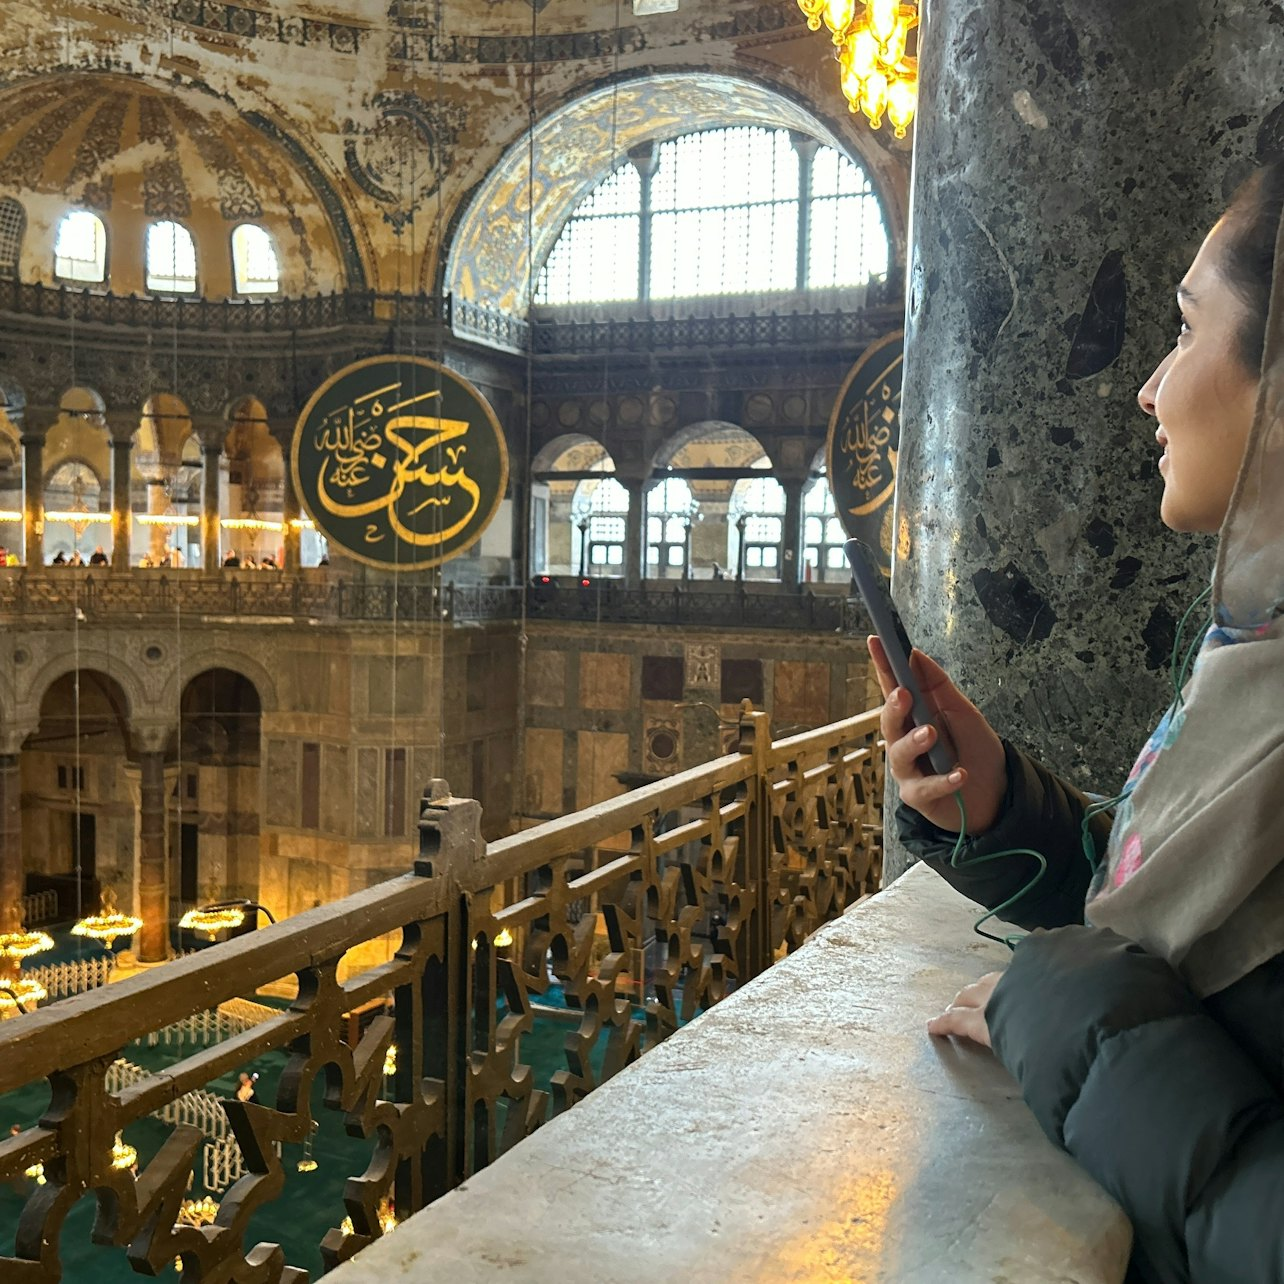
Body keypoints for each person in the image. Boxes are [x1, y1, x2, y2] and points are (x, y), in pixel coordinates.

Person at [872, 162, 1284, 1283]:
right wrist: (1003, 808)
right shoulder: (1258, 665)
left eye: (1189, 328)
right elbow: (1203, 933)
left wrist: (1058, 1000)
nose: (1147, 388)